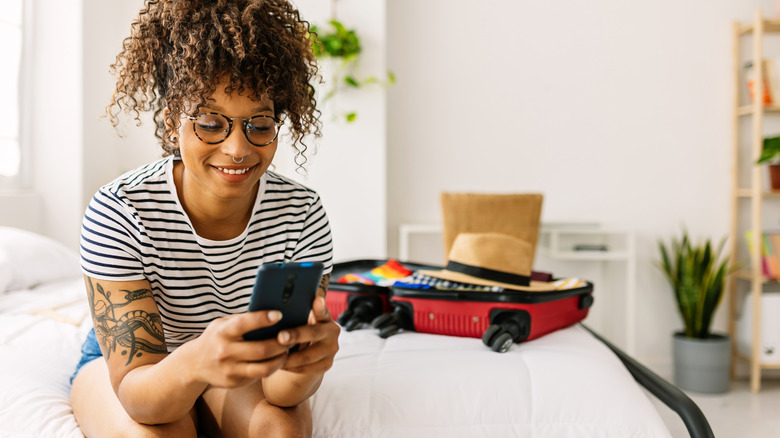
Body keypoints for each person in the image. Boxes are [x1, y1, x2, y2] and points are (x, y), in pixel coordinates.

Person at [69, 1, 339, 436]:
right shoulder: (121, 209)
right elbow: (141, 398)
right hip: (135, 369)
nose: (237, 148)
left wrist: (306, 365)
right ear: (172, 117)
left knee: (279, 430)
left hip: (236, 363)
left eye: (260, 124)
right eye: (211, 123)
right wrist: (197, 359)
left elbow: (281, 391)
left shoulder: (300, 213)